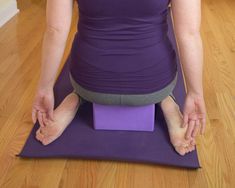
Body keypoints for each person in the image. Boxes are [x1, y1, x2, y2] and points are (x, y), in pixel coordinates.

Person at [31, 0, 207, 156]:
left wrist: (45, 89)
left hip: (90, 83)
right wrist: (195, 93)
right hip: (154, 83)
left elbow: (55, 30)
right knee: (160, 68)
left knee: (84, 75)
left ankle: (78, 96)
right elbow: (189, 34)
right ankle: (164, 99)